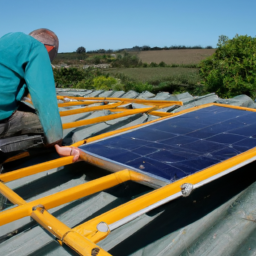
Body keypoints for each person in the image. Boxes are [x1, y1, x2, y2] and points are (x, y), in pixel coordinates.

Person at [0, 29, 63, 148]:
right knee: (46, 125)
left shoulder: (7, 39)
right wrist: (56, 138)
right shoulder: (37, 48)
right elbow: (45, 99)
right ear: (49, 49)